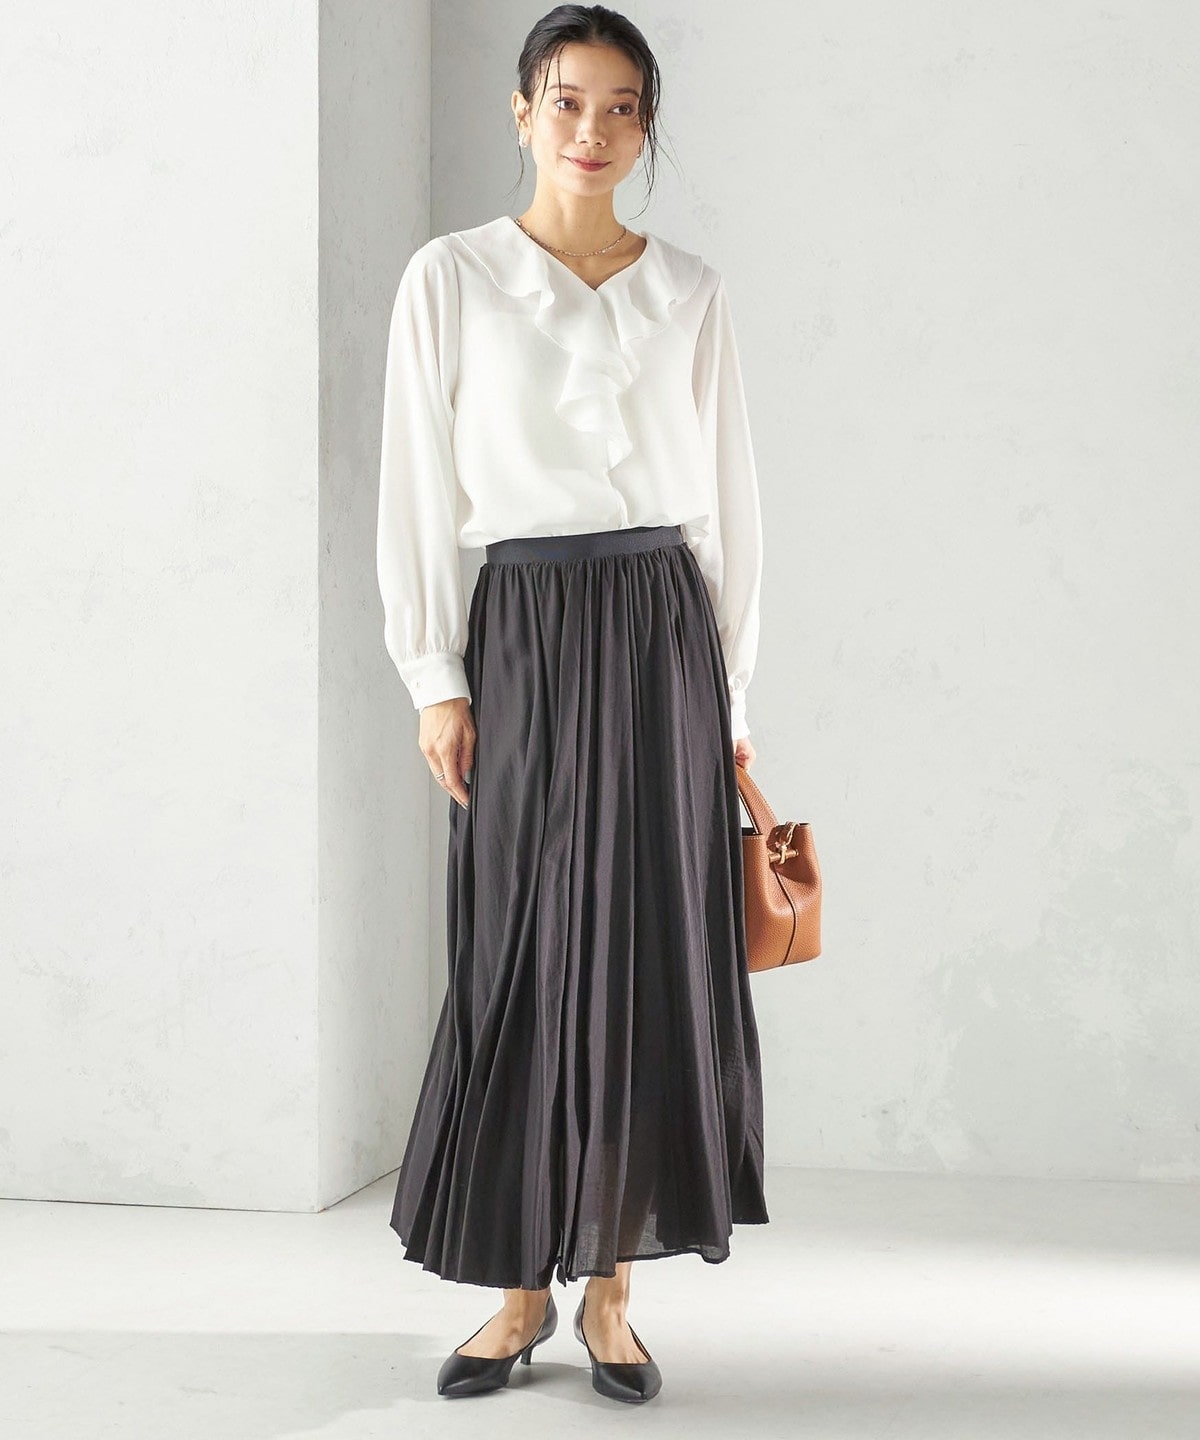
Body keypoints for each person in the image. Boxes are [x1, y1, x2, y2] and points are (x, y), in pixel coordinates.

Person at [375, 4, 769, 1405]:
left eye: (620, 108)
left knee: (651, 948)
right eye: (566, 101)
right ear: (521, 111)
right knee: (520, 949)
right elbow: (417, 479)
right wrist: (436, 676)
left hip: (663, 631)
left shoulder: (692, 290)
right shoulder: (454, 276)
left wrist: (731, 698)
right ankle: (515, 1292)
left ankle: (609, 1295)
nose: (591, 131)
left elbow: (727, 507)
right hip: (526, 630)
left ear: (646, 127)